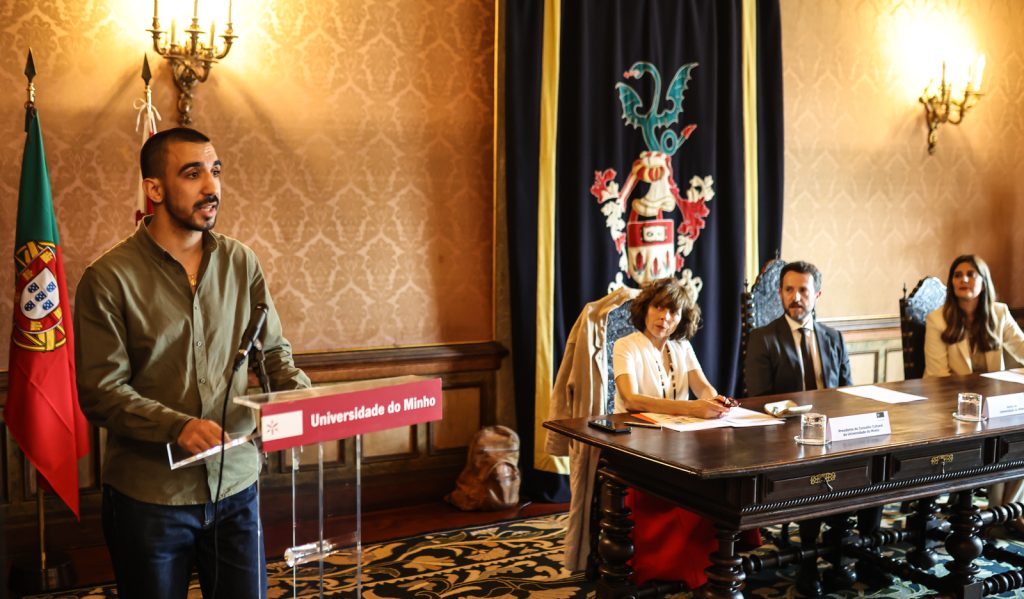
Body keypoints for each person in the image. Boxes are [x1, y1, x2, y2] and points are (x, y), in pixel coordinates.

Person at [75, 127, 311, 599]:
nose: (211, 186)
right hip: (151, 499)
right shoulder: (108, 278)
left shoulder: (242, 262)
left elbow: (272, 354)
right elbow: (102, 392)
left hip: (236, 487)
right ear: (154, 188)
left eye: (215, 171)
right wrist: (177, 426)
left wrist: (303, 397)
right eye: (192, 173)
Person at [744, 261, 883, 596]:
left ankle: (865, 555)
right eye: (789, 290)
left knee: (877, 466)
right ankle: (808, 562)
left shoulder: (833, 337)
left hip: (835, 433)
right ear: (780, 293)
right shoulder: (763, 339)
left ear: (817, 294)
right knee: (816, 474)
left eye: (803, 290)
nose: (796, 297)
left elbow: (847, 393)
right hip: (790, 438)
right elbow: (760, 401)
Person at [612, 277, 754, 589]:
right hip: (638, 440)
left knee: (722, 474)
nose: (665, 317)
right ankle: (684, 564)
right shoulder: (626, 346)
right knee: (692, 484)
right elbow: (631, 399)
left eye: (674, 312)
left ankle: (722, 553)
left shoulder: (682, 347)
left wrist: (716, 401)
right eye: (658, 307)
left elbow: (703, 387)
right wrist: (691, 408)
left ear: (682, 318)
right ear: (645, 308)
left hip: (680, 438)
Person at [924, 254, 1024, 532]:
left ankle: (1005, 510)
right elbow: (938, 376)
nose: (964, 280)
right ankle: (1001, 515)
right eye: (957, 275)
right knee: (1001, 435)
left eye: (970, 274)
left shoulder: (999, 313)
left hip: (994, 404)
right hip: (950, 405)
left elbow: (1022, 348)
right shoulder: (938, 319)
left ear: (984, 281)